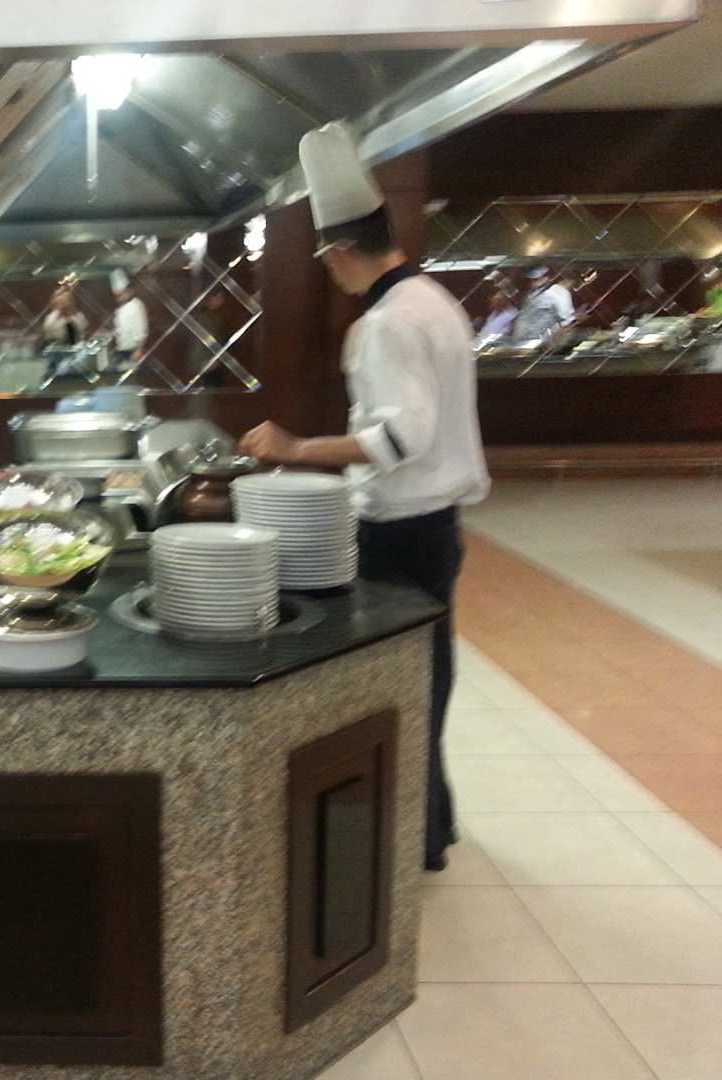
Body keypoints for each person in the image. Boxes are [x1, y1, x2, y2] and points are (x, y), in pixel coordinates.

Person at [236, 123, 490, 873]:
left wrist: (294, 450)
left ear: (341, 251)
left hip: (401, 531)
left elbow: (399, 438)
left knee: (398, 686)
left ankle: (416, 840)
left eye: (327, 261)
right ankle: (431, 827)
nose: (330, 275)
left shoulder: (387, 324)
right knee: (427, 674)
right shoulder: (434, 299)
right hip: (435, 527)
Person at [511, 265, 574, 341]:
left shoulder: (559, 292)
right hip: (522, 341)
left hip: (544, 341)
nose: (532, 283)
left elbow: (566, 322)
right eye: (530, 280)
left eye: (535, 279)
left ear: (546, 277)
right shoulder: (530, 294)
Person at [111, 271, 149, 367]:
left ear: (128, 291)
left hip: (133, 350)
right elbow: (119, 330)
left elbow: (142, 330)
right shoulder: (119, 310)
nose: (119, 298)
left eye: (121, 294)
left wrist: (139, 350)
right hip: (121, 350)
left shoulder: (137, 305)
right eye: (117, 295)